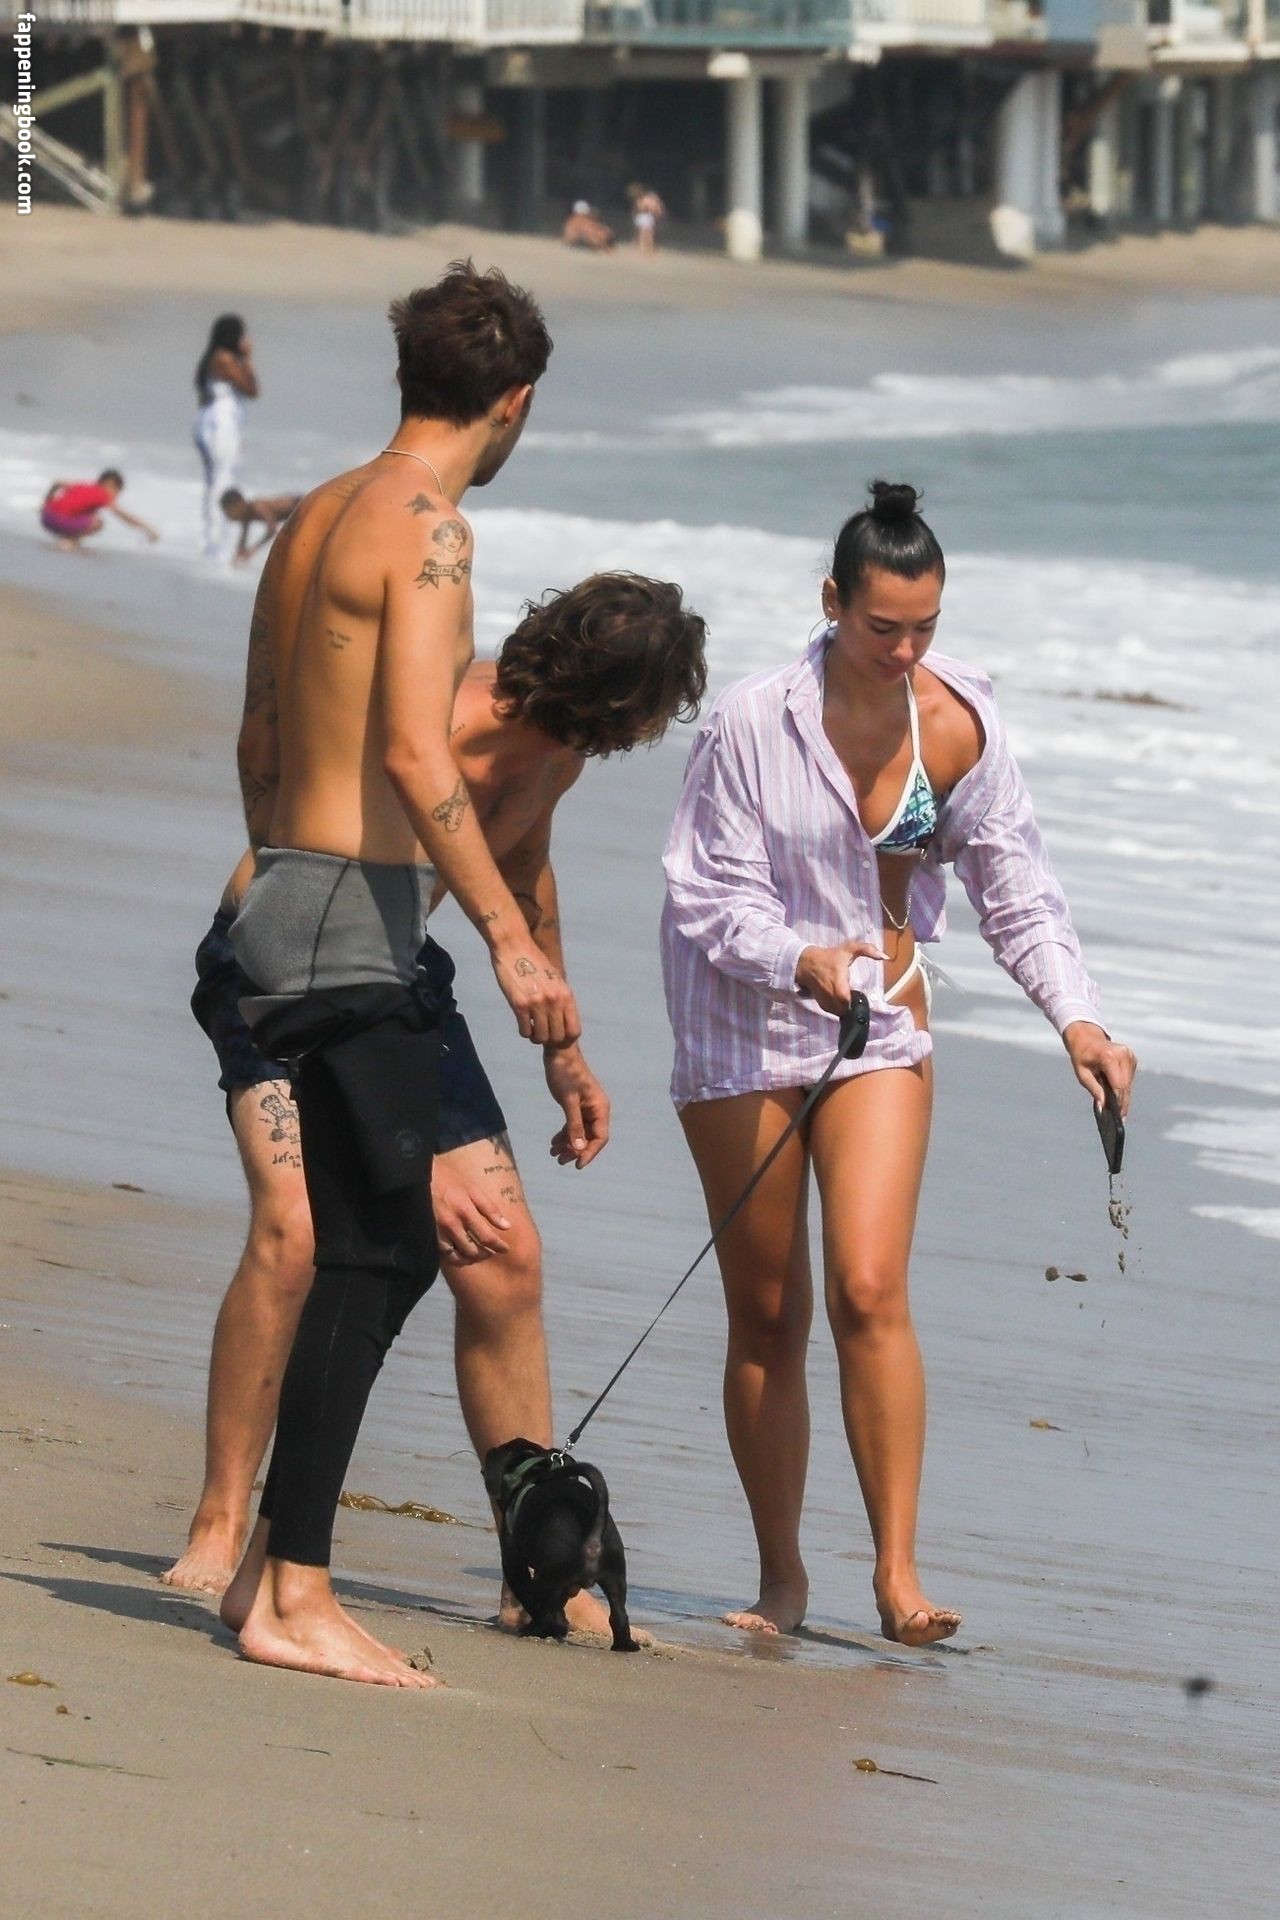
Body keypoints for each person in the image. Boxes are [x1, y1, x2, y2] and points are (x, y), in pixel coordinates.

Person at [166, 572, 708, 1641]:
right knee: (297, 1231)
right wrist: (409, 1160)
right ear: (617, 704)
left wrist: (564, 1049)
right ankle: (222, 1518)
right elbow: (313, 902)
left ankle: (536, 1565)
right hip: (282, 969)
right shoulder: (439, 726)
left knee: (505, 1252)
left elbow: (525, 867)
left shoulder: (556, 753)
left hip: (398, 975)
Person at [661, 482, 1136, 1648]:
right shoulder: (748, 722)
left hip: (878, 1015)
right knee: (767, 1311)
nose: (904, 650)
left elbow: (1014, 888)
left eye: (924, 626)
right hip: (740, 1014)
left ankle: (896, 1575)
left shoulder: (955, 723)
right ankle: (781, 1578)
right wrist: (797, 957)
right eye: (882, 627)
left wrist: (1076, 1019)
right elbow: (706, 896)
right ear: (832, 602)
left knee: (868, 1288)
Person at [208, 261, 578, 1688]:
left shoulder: (314, 513)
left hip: (278, 894)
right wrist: (507, 937)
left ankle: (270, 1572)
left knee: (372, 1245)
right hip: (350, 914)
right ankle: (291, 1595)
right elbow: (422, 758)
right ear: (513, 401)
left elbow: (258, 733)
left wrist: (282, 878)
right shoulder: (430, 532)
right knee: (384, 1252)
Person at [194, 315, 258, 562]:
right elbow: (251, 389)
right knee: (222, 479)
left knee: (214, 480)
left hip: (210, 420)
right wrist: (248, 358)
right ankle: (216, 544)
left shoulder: (212, 357)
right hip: (220, 423)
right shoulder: (226, 359)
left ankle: (210, 540)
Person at [39, 469, 158, 550]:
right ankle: (69, 541)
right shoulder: (103, 495)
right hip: (60, 522)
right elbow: (124, 516)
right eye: (117, 491)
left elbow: (57, 482)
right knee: (98, 523)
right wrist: (149, 530)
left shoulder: (82, 485)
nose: (116, 496)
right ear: (110, 484)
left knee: (87, 514)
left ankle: (67, 538)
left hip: (46, 518)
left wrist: (46, 501)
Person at [220, 487, 301, 565]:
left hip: (300, 505)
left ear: (238, 505)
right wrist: (237, 558)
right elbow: (242, 541)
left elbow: (272, 529)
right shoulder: (246, 516)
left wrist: (253, 550)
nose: (227, 516)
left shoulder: (258, 506)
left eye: (228, 512)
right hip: (297, 515)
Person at [628, 184, 665, 254]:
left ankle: (644, 246)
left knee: (644, 233)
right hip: (647, 217)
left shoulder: (643, 200)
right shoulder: (647, 200)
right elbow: (653, 209)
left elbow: (639, 208)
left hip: (645, 216)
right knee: (647, 233)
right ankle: (646, 246)